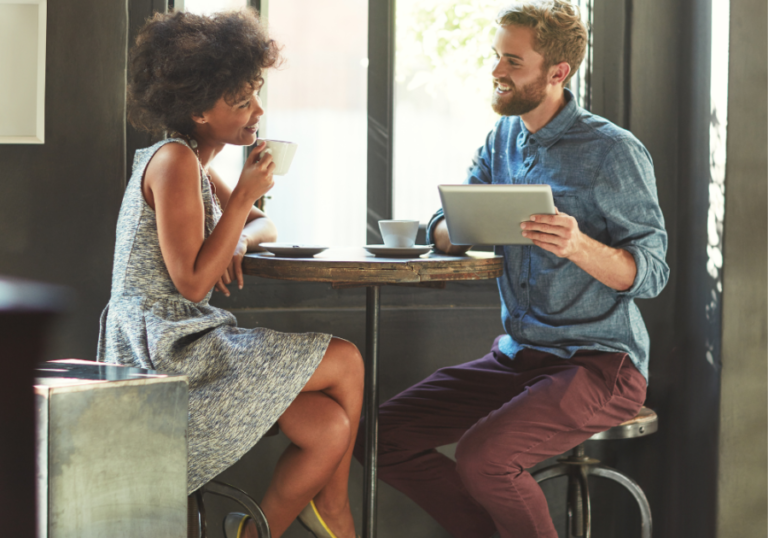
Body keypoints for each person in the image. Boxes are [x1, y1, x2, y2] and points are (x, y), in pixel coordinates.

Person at [354, 2, 669, 537]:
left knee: (484, 458)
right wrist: (451, 230)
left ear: (557, 73)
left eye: (512, 62)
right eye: (496, 57)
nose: (497, 71)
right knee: (381, 437)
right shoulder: (504, 140)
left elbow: (653, 273)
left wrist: (578, 245)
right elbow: (446, 219)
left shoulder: (612, 151)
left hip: (599, 364)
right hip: (521, 357)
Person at [97, 9, 362, 538]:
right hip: (164, 352)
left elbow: (266, 225)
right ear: (197, 109)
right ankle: (333, 510)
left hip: (192, 339)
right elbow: (192, 283)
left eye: (255, 93)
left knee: (330, 427)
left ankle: (253, 533)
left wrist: (238, 232)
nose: (257, 110)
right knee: (347, 359)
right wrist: (242, 196)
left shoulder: (195, 161)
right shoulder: (174, 161)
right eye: (241, 102)